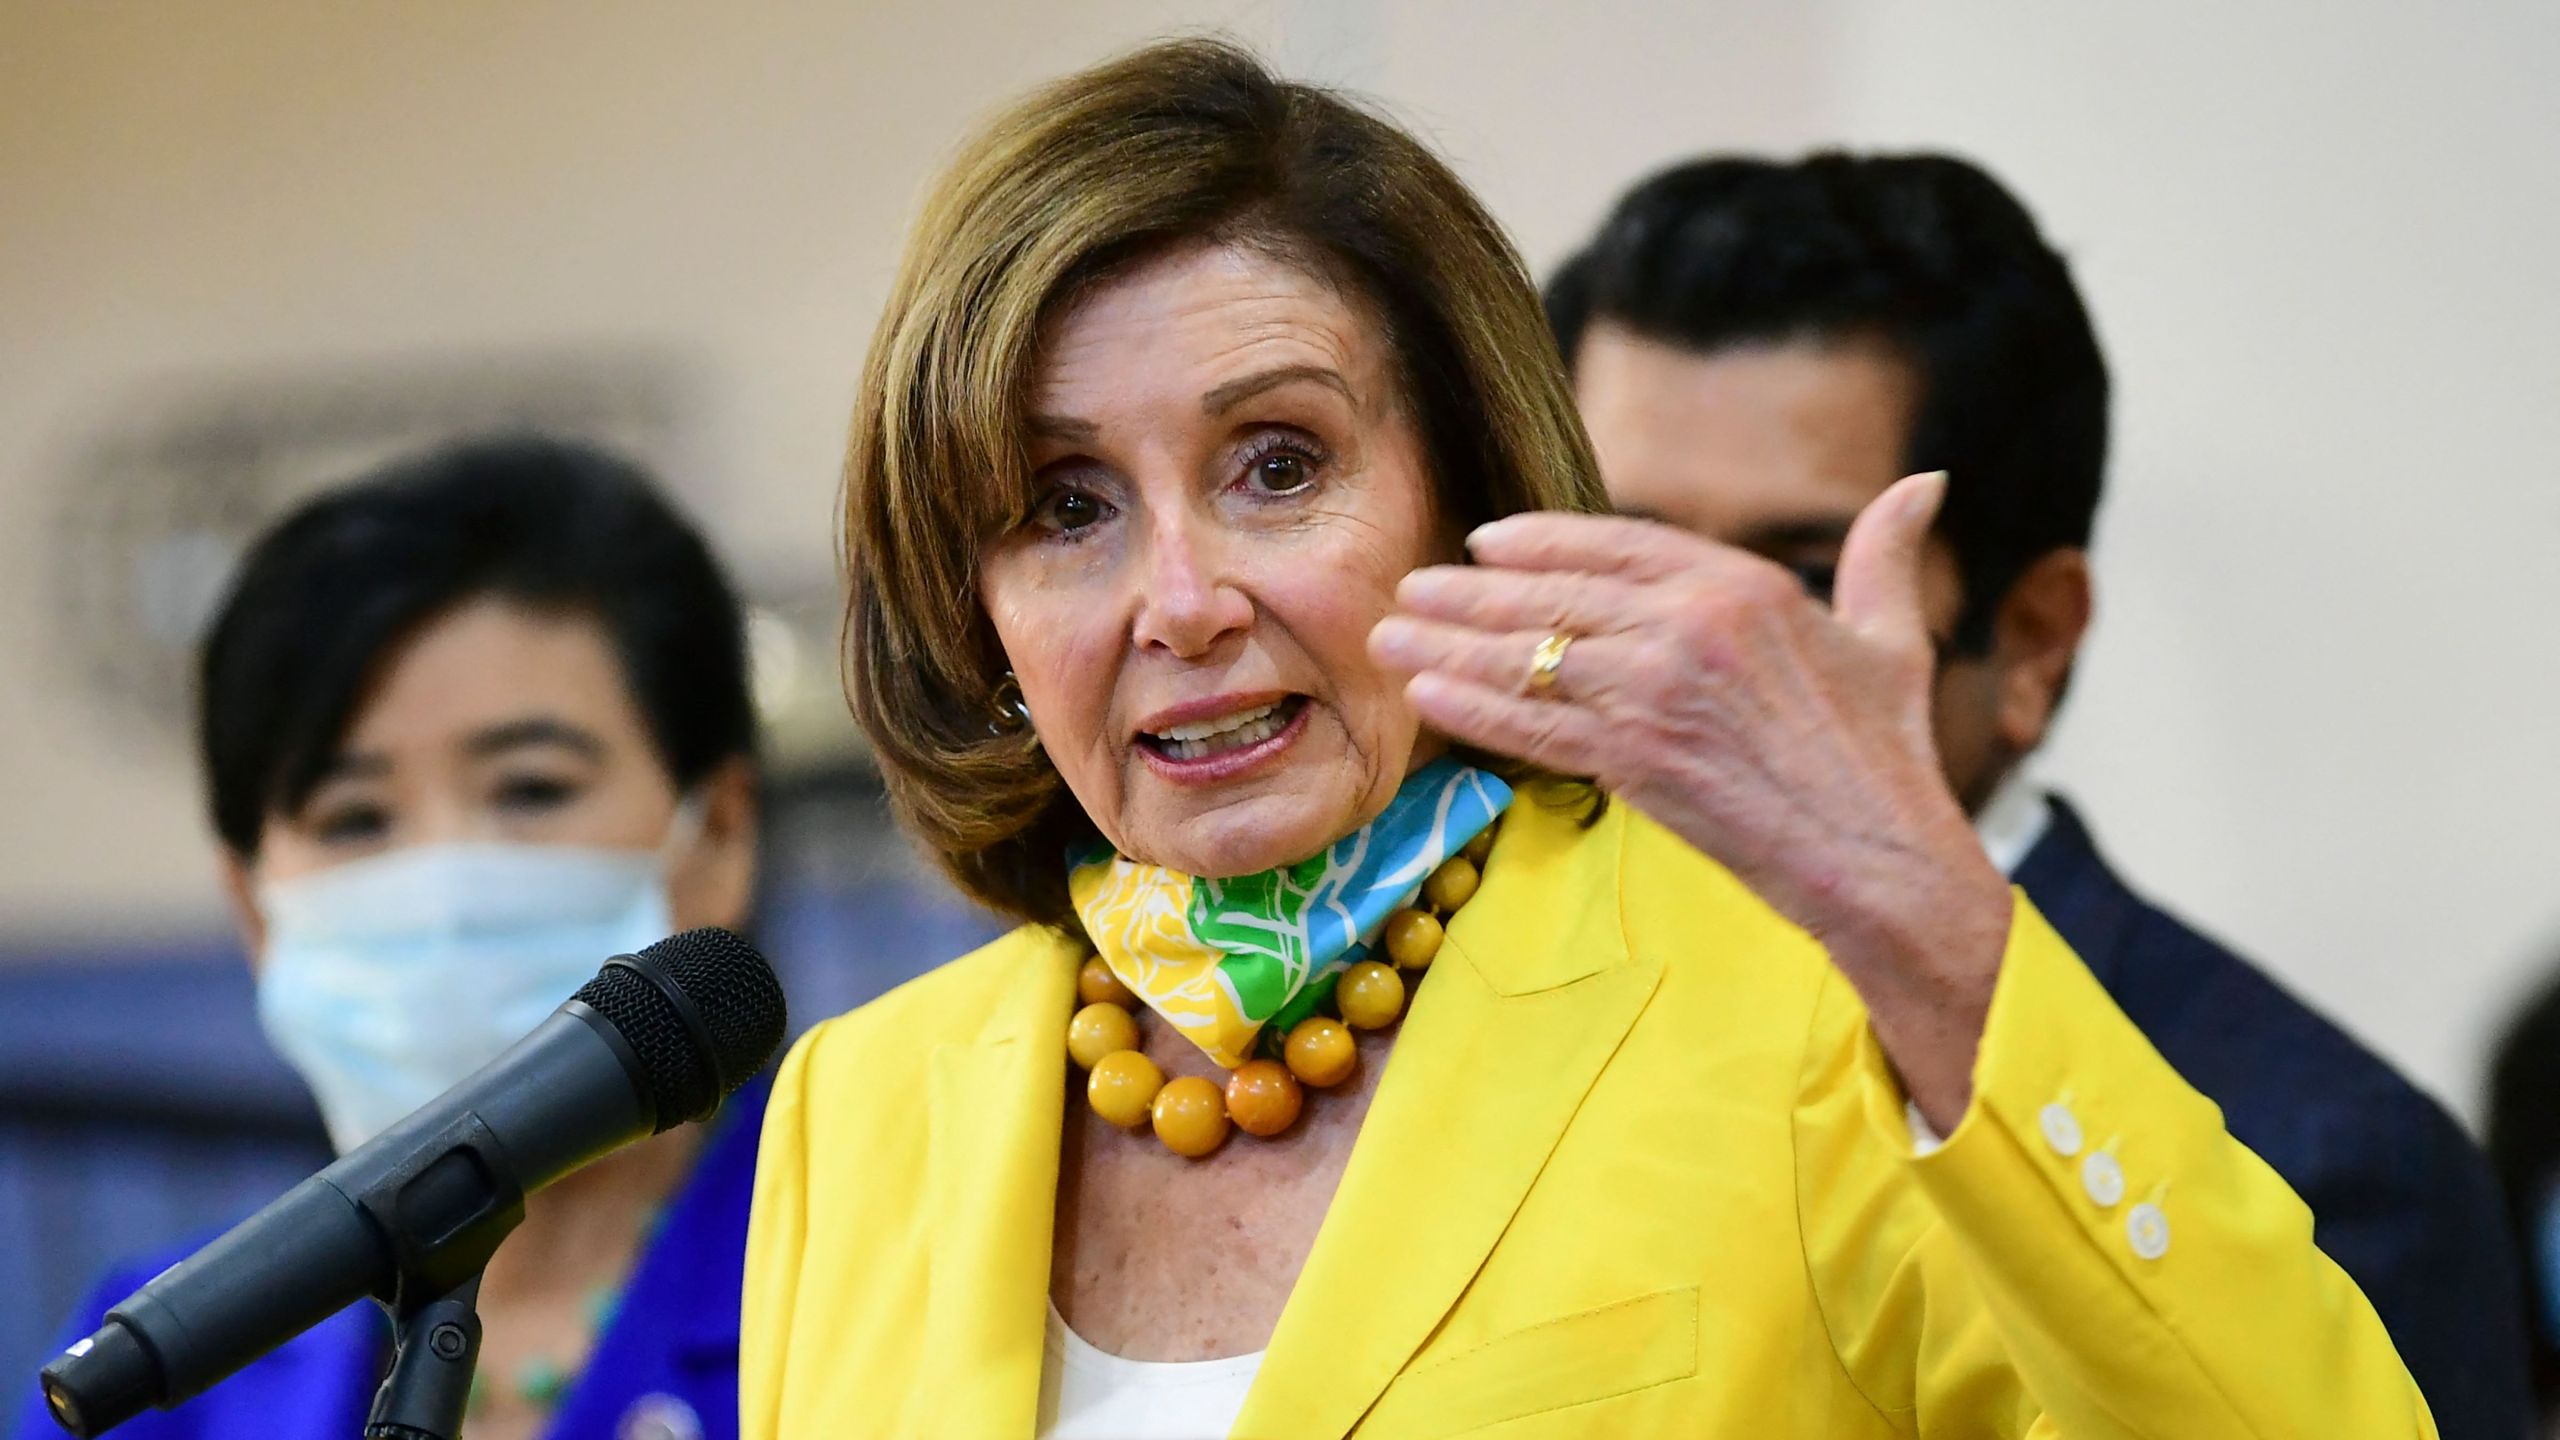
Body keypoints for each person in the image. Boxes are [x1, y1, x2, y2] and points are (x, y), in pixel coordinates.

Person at [742, 41, 2437, 1439]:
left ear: (1466, 493)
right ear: (972, 604)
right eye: (1062, 506)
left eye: (1277, 464)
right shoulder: (860, 1106)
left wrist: (1929, 919)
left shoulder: (1804, 1008)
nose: (1177, 600)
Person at [1542, 152, 2531, 1438]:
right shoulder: (1455, 1004)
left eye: (1797, 579)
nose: (1688, 654)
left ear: (2030, 640)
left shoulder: (2322, 1156)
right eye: (1630, 554)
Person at [19, 436, 765, 1440]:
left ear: (717, 832)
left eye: (531, 789)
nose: (442, 880)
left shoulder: (892, 1263)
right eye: (355, 818)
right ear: (253, 908)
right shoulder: (169, 1367)